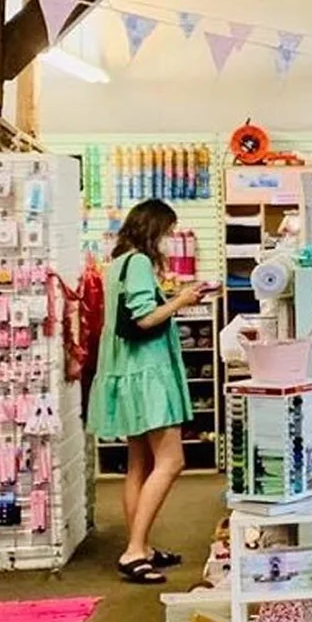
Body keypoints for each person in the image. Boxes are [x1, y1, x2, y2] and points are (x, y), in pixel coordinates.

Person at [90, 199, 215, 584]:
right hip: (147, 375)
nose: (170, 239)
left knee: (138, 464)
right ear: (154, 229)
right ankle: (133, 551)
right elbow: (144, 318)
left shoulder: (117, 264)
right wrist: (182, 299)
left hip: (124, 372)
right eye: (167, 231)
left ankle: (140, 546)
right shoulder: (140, 262)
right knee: (172, 461)